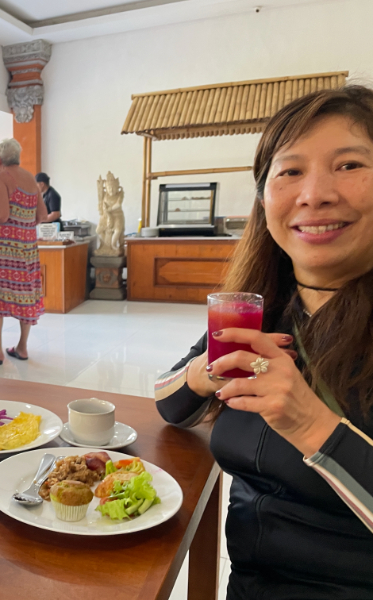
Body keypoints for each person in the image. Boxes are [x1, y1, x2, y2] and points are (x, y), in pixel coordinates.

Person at [154, 86, 373, 599]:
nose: (314, 194)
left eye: (349, 165)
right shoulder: (263, 306)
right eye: (290, 171)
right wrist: (204, 372)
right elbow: (167, 402)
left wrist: (311, 425)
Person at [0, 139, 47, 364]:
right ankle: (22, 347)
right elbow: (41, 215)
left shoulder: (2, 177)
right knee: (26, 293)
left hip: (5, 251)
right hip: (28, 250)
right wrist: (23, 224)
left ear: (0, 159)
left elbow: (2, 215)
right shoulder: (31, 179)